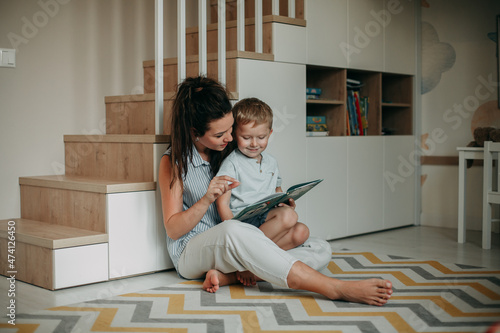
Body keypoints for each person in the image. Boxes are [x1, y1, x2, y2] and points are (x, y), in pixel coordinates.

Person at [158, 75, 393, 306]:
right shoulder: (174, 162)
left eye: (231, 129)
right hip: (193, 251)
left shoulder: (228, 149)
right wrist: (207, 199)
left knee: (319, 247)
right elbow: (173, 229)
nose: (229, 138)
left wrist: (276, 202)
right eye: (220, 134)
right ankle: (334, 288)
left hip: (236, 244)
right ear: (194, 132)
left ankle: (230, 277)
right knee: (232, 229)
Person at [214, 98, 309, 285]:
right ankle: (246, 258)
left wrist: (286, 201)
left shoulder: (271, 162)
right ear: (234, 134)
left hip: (266, 219)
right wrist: (234, 231)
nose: (254, 144)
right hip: (244, 222)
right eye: (246, 137)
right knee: (289, 217)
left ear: (270, 133)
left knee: (301, 232)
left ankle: (250, 265)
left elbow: (277, 189)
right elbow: (222, 203)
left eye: (261, 137)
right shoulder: (232, 163)